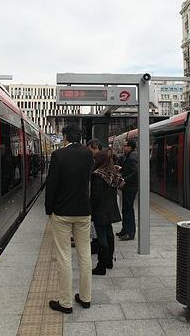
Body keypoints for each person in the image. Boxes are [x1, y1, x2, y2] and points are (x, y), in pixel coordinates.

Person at [45, 124, 94, 313]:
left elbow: (52, 185)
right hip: (83, 211)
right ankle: (85, 297)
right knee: (84, 254)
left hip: (62, 213)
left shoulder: (59, 156)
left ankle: (65, 303)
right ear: (80, 137)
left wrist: (49, 210)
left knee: (64, 256)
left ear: (65, 136)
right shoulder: (88, 155)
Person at [90, 150, 123, 275]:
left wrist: (90, 208)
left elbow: (95, 196)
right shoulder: (112, 174)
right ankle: (109, 261)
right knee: (109, 235)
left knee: (102, 238)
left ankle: (101, 266)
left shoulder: (98, 175)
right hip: (110, 210)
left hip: (100, 211)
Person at [117, 139, 138, 241]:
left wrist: (125, 180)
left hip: (130, 187)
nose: (123, 147)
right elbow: (130, 169)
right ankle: (125, 230)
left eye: (125, 145)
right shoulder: (130, 155)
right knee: (126, 209)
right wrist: (121, 169)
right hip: (129, 187)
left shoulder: (132, 157)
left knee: (128, 210)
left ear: (130, 147)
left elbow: (135, 172)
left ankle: (129, 233)